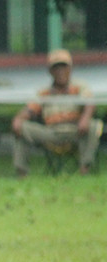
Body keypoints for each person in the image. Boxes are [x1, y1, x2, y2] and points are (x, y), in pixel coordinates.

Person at [12, 49, 101, 177]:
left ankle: (85, 167)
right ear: (50, 71)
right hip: (51, 133)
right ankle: (21, 173)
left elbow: (90, 103)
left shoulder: (80, 86)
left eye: (63, 67)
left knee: (94, 125)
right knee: (21, 128)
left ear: (70, 68)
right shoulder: (44, 92)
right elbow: (29, 109)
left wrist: (85, 118)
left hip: (75, 130)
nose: (60, 71)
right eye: (56, 68)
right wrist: (18, 120)